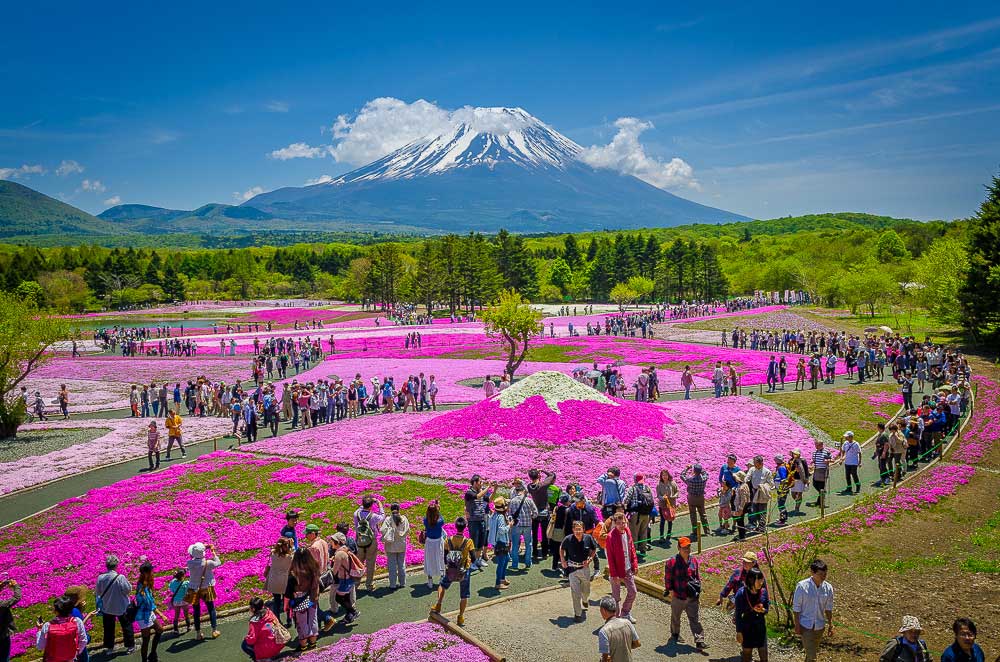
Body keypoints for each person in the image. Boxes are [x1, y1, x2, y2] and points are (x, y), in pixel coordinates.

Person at [431, 517, 477, 627]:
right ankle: (460, 616)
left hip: (451, 569)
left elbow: (444, 556)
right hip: (464, 570)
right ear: (465, 527)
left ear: (456, 526)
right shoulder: (468, 542)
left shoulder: (448, 540)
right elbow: (474, 558)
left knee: (442, 585)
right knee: (464, 595)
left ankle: (438, 605)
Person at [663, 536, 707, 651]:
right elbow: (668, 578)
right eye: (684, 548)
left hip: (692, 596)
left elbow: (697, 578)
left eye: (688, 547)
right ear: (678, 548)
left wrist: (698, 593)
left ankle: (699, 640)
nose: (687, 550)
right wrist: (670, 590)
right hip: (678, 595)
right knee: (676, 617)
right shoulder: (671, 562)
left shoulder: (694, 560)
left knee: (695, 619)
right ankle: (675, 634)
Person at [792, 559, 835, 662]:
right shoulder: (802, 586)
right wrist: (797, 625)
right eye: (820, 574)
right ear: (812, 572)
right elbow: (796, 608)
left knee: (811, 654)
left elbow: (828, 608)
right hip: (805, 625)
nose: (823, 577)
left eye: (825, 574)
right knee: (812, 657)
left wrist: (830, 624)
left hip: (820, 626)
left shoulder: (828, 588)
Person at [95, 554, 135, 653]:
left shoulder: (100, 578)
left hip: (107, 607)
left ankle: (109, 648)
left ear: (106, 565)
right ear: (116, 565)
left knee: (108, 628)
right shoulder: (120, 577)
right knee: (126, 626)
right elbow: (127, 590)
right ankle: (130, 646)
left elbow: (98, 592)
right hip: (122, 606)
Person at [560, 520, 598, 622]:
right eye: (576, 529)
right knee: (575, 592)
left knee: (586, 591)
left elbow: (594, 549)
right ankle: (577, 614)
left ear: (583, 529)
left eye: (579, 529)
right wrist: (563, 560)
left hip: (584, 568)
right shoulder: (568, 539)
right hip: (572, 568)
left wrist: (590, 559)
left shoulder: (588, 538)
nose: (578, 531)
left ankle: (585, 600)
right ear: (573, 530)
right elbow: (561, 548)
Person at [605, 513, 639, 623]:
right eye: (618, 523)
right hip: (616, 570)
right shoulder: (610, 537)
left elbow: (632, 548)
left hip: (628, 568)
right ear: (615, 524)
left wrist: (635, 564)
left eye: (623, 522)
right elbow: (610, 557)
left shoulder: (627, 531)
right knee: (615, 597)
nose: (621, 525)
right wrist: (614, 574)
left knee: (633, 592)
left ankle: (625, 612)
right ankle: (616, 618)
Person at [186, 542, 222, 640]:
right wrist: (212, 551)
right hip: (207, 588)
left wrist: (202, 548)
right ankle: (214, 630)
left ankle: (198, 633)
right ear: (203, 553)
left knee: (196, 611)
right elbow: (218, 562)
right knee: (211, 609)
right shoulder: (208, 563)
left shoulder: (190, 563)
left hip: (194, 589)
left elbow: (193, 556)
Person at [34, 596, 86, 662]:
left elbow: (40, 646)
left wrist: (39, 630)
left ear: (56, 611)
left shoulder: (48, 625)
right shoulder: (77, 621)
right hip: (70, 658)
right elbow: (83, 641)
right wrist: (76, 653)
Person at [734, 567, 769, 662]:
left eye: (762, 580)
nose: (761, 583)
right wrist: (739, 632)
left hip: (760, 627)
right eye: (759, 580)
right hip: (747, 627)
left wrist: (763, 610)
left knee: (764, 656)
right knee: (747, 655)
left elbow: (767, 609)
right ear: (751, 580)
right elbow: (738, 615)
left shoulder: (763, 592)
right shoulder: (741, 594)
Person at [287, 548, 320, 649]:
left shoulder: (294, 571)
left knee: (302, 623)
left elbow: (288, 588)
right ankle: (313, 643)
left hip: (299, 599)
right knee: (313, 620)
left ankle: (303, 645)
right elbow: (316, 584)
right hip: (312, 597)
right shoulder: (314, 567)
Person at [134, 561, 165, 662]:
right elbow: (149, 604)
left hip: (149, 613)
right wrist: (161, 614)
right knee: (146, 640)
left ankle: (153, 654)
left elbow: (150, 603)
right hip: (143, 617)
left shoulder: (146, 584)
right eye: (151, 571)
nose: (153, 572)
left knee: (160, 630)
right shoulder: (141, 588)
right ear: (147, 573)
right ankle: (145, 660)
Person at [352, 495, 385, 592]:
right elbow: (382, 516)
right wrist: (379, 503)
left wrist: (367, 503)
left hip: (359, 540)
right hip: (371, 541)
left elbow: (360, 508)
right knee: (370, 563)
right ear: (371, 506)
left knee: (358, 563)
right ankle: (369, 584)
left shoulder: (356, 514)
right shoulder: (373, 516)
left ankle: (356, 583)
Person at [597, 596, 641, 662]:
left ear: (603, 610)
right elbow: (637, 644)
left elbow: (605, 659)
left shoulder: (604, 631)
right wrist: (625, 648)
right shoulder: (627, 623)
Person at [329, 533, 361, 626]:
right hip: (349, 578)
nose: (331, 543)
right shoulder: (345, 550)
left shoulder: (339, 553)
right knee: (346, 598)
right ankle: (349, 615)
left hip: (344, 579)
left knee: (338, 598)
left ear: (337, 542)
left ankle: (353, 612)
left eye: (332, 541)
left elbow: (334, 571)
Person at [241, 597, 286, 662]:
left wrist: (247, 638)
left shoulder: (254, 622)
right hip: (278, 644)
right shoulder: (269, 612)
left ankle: (260, 658)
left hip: (266, 650)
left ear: (253, 609)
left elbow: (251, 640)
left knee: (244, 644)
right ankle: (273, 655)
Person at [464, 475, 493, 570]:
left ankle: (478, 559)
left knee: (481, 542)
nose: (481, 484)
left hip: (482, 520)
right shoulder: (469, 493)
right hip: (473, 521)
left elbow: (489, 500)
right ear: (475, 483)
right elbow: (477, 497)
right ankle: (472, 561)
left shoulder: (481, 492)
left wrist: (495, 489)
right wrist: (488, 487)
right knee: (474, 542)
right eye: (480, 482)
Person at [507, 479, 538, 571]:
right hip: (527, 525)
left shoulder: (513, 501)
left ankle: (515, 564)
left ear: (516, 491)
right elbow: (536, 513)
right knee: (528, 544)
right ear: (523, 491)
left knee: (515, 545)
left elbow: (509, 515)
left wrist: (512, 521)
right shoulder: (529, 500)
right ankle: (528, 562)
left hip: (516, 526)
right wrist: (531, 516)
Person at [526, 468, 556, 562]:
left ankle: (534, 553)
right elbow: (551, 475)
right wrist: (542, 470)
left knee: (534, 534)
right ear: (538, 476)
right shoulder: (543, 485)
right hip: (544, 513)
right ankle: (544, 553)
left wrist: (538, 474)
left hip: (535, 512)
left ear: (530, 477)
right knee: (544, 534)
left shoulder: (529, 486)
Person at [379, 504, 410, 590]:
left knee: (392, 565)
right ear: (399, 510)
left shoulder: (388, 520)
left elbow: (382, 530)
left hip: (390, 545)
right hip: (401, 545)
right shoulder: (404, 519)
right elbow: (408, 530)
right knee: (401, 564)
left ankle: (392, 584)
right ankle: (402, 583)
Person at [264, 537, 294, 624]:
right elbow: (292, 554)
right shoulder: (290, 557)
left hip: (274, 580)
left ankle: (277, 620)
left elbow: (274, 549)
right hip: (285, 581)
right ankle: (289, 619)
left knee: (276, 602)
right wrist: (291, 546)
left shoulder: (273, 554)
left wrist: (278, 546)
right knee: (287, 600)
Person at [622, 474, 654, 554]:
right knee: (643, 531)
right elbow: (652, 500)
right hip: (646, 514)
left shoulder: (632, 488)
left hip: (635, 514)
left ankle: (634, 550)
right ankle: (643, 548)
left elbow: (625, 500)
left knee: (634, 533)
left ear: (635, 479)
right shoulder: (647, 488)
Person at [60, 586, 92, 662]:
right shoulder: (75, 611)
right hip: (77, 643)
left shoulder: (63, 609)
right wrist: (88, 616)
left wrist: (80, 609)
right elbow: (80, 628)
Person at [680, 464, 711, 540]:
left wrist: (687, 468)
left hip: (692, 498)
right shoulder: (703, 479)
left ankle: (695, 531)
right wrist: (701, 469)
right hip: (700, 498)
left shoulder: (691, 480)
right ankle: (707, 531)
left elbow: (682, 475)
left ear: (694, 471)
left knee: (693, 515)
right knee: (703, 514)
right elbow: (706, 474)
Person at [487, 497, 512, 590]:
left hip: (496, 541)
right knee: (502, 563)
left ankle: (502, 578)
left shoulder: (494, 514)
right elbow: (502, 530)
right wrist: (509, 525)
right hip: (501, 542)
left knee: (505, 560)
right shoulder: (501, 517)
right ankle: (498, 582)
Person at [423, 501, 446, 588]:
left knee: (429, 560)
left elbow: (429, 517)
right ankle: (441, 577)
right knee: (440, 559)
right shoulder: (440, 521)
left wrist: (434, 509)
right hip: (438, 542)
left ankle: (430, 581)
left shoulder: (425, 520)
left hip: (429, 542)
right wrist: (438, 509)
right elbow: (441, 519)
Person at [1, 578, 23, 662]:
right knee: (4, 656)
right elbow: (17, 597)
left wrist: (2, 585)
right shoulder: (2, 605)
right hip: (2, 635)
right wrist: (16, 586)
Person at [656, 469, 679, 542]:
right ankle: (661, 536)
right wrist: (662, 498)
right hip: (662, 505)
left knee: (670, 520)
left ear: (668, 475)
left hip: (671, 504)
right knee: (662, 521)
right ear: (661, 476)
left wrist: (674, 496)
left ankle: (668, 535)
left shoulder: (672, 483)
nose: (664, 477)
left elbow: (677, 491)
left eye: (666, 475)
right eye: (663, 475)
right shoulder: (659, 484)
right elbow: (658, 495)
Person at [166, 569, 191, 634]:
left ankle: (176, 629)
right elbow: (188, 591)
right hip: (184, 601)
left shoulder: (173, 582)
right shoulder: (186, 583)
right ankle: (188, 627)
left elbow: (171, 588)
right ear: (183, 576)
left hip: (176, 601)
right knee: (186, 614)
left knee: (176, 615)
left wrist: (174, 577)